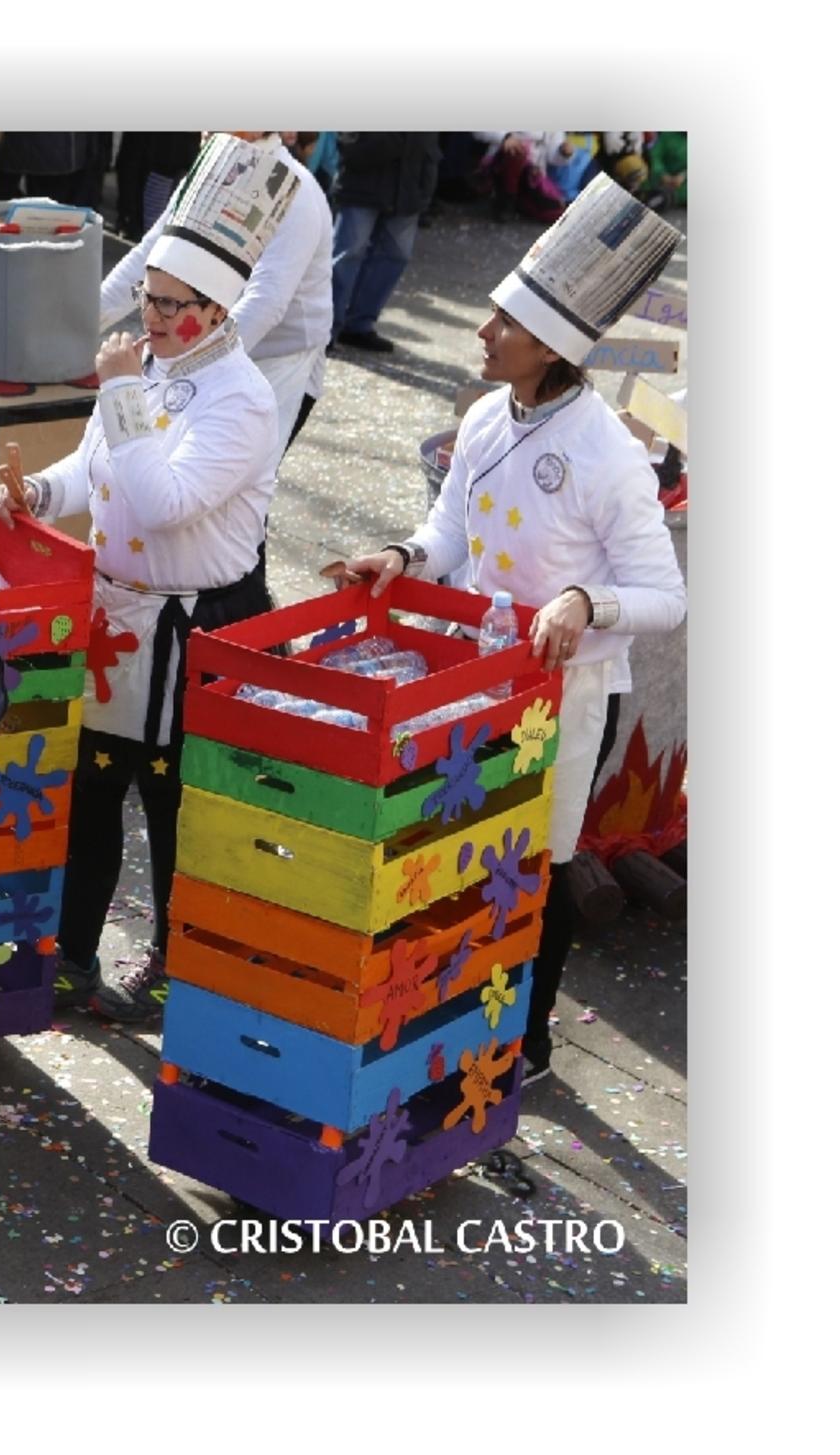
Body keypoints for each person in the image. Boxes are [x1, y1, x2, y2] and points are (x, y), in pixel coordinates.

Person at [329, 175, 686, 1086]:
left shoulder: (609, 453)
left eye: (503, 323)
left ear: (551, 346)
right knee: (463, 853)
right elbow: (450, 528)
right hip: (478, 677)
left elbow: (665, 594)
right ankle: (456, 1018)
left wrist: (584, 602)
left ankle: (529, 1044)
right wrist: (401, 556)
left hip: (569, 695)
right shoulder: (487, 415)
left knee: (541, 863)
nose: (482, 332)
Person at [0, 133, 293, 1025]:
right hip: (115, 612)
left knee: (174, 803)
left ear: (217, 308)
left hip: (192, 624)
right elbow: (98, 468)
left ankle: (176, 962)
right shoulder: (152, 367)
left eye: (171, 304)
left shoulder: (242, 398)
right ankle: (73, 953)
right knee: (91, 790)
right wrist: (39, 495)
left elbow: (164, 504)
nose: (152, 317)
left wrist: (123, 391)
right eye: (149, 298)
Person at [102, 131, 333, 453]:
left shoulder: (296, 190)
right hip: (201, 345)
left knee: (221, 475)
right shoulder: (212, 167)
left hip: (277, 361)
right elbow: (151, 254)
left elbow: (266, 301)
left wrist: (188, 365)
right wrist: (82, 322)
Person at [329, 132, 442, 353]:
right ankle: (325, 328)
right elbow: (349, 142)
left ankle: (359, 325)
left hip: (409, 187)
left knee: (396, 256)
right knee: (347, 254)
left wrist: (426, 183)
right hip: (362, 183)